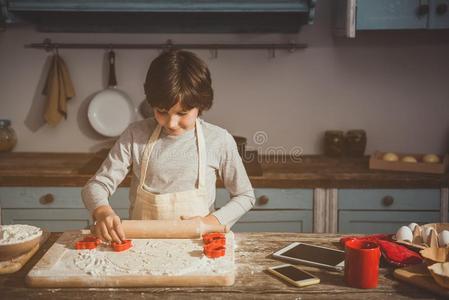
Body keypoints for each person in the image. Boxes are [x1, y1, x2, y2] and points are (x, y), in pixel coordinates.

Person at [82, 49, 255, 243]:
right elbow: (95, 186)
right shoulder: (135, 135)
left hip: (198, 248)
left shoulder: (219, 140)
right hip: (142, 247)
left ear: (202, 105)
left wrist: (209, 222)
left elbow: (245, 196)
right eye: (161, 111)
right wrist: (102, 211)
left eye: (182, 113)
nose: (171, 123)